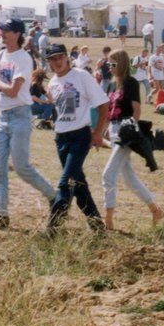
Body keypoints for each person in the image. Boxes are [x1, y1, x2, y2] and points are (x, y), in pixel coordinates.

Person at [0, 19, 57, 229]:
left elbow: (13, 91)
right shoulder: (2, 54)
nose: (1, 34)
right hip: (2, 116)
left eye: (6, 31)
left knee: (22, 167)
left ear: (17, 33)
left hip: (20, 116)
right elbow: (3, 81)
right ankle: (1, 214)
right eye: (1, 30)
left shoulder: (23, 58)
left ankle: (55, 198)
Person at [42, 44, 107, 236]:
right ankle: (97, 224)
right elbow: (58, 107)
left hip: (80, 136)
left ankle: (52, 229)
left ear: (67, 58)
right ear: (49, 63)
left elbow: (103, 105)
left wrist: (97, 134)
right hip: (61, 138)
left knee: (65, 183)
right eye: (53, 59)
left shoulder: (81, 76)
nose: (57, 61)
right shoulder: (52, 82)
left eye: (60, 57)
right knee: (78, 184)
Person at [101, 49, 164, 230]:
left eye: (113, 64)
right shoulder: (111, 85)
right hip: (113, 129)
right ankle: (155, 209)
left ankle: (108, 220)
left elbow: (136, 111)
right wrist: (103, 131)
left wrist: (129, 131)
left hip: (125, 131)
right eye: (108, 64)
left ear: (122, 64)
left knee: (108, 175)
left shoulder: (131, 83)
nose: (110, 67)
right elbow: (108, 111)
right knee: (128, 177)